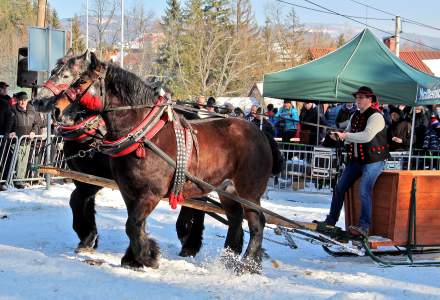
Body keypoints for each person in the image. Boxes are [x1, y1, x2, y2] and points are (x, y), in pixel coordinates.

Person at [319, 86, 389, 237]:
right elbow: (348, 134)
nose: (357, 100)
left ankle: (364, 226)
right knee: (339, 187)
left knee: (364, 189)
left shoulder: (376, 116)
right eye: (357, 98)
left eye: (361, 98)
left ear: (370, 99)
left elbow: (366, 136)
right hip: (356, 160)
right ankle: (331, 221)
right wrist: (337, 136)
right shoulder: (355, 115)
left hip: (374, 160)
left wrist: (345, 136)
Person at [10, 92, 42, 188]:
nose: (22, 102)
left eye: (24, 100)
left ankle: (20, 180)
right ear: (17, 100)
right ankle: (13, 180)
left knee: (23, 160)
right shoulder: (13, 110)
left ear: (27, 100)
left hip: (27, 140)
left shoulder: (32, 110)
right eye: (20, 100)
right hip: (15, 140)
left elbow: (37, 123)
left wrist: (33, 131)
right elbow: (8, 122)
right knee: (15, 160)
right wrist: (11, 131)